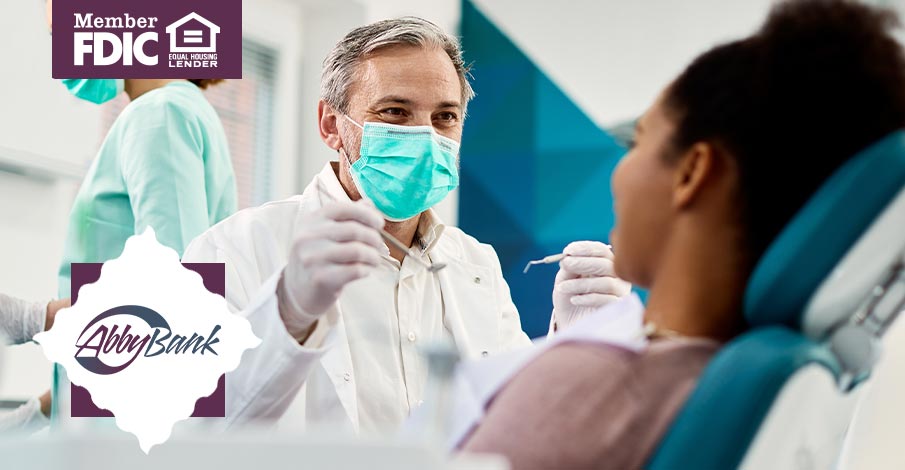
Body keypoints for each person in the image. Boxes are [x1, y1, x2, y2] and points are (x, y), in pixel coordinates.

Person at [459, 0, 905, 468]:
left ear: (693, 172)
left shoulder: (592, 385)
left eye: (638, 142)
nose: (618, 172)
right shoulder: (747, 380)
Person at [181, 17, 631, 434]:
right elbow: (187, 431)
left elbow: (511, 424)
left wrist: (570, 345)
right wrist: (288, 313)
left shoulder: (476, 262)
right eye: (395, 112)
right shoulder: (230, 249)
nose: (424, 135)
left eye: (444, 117)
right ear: (331, 125)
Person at [43, 0, 238, 423]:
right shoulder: (177, 111)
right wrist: (45, 408)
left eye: (64, 33)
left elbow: (171, 291)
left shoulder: (159, 115)